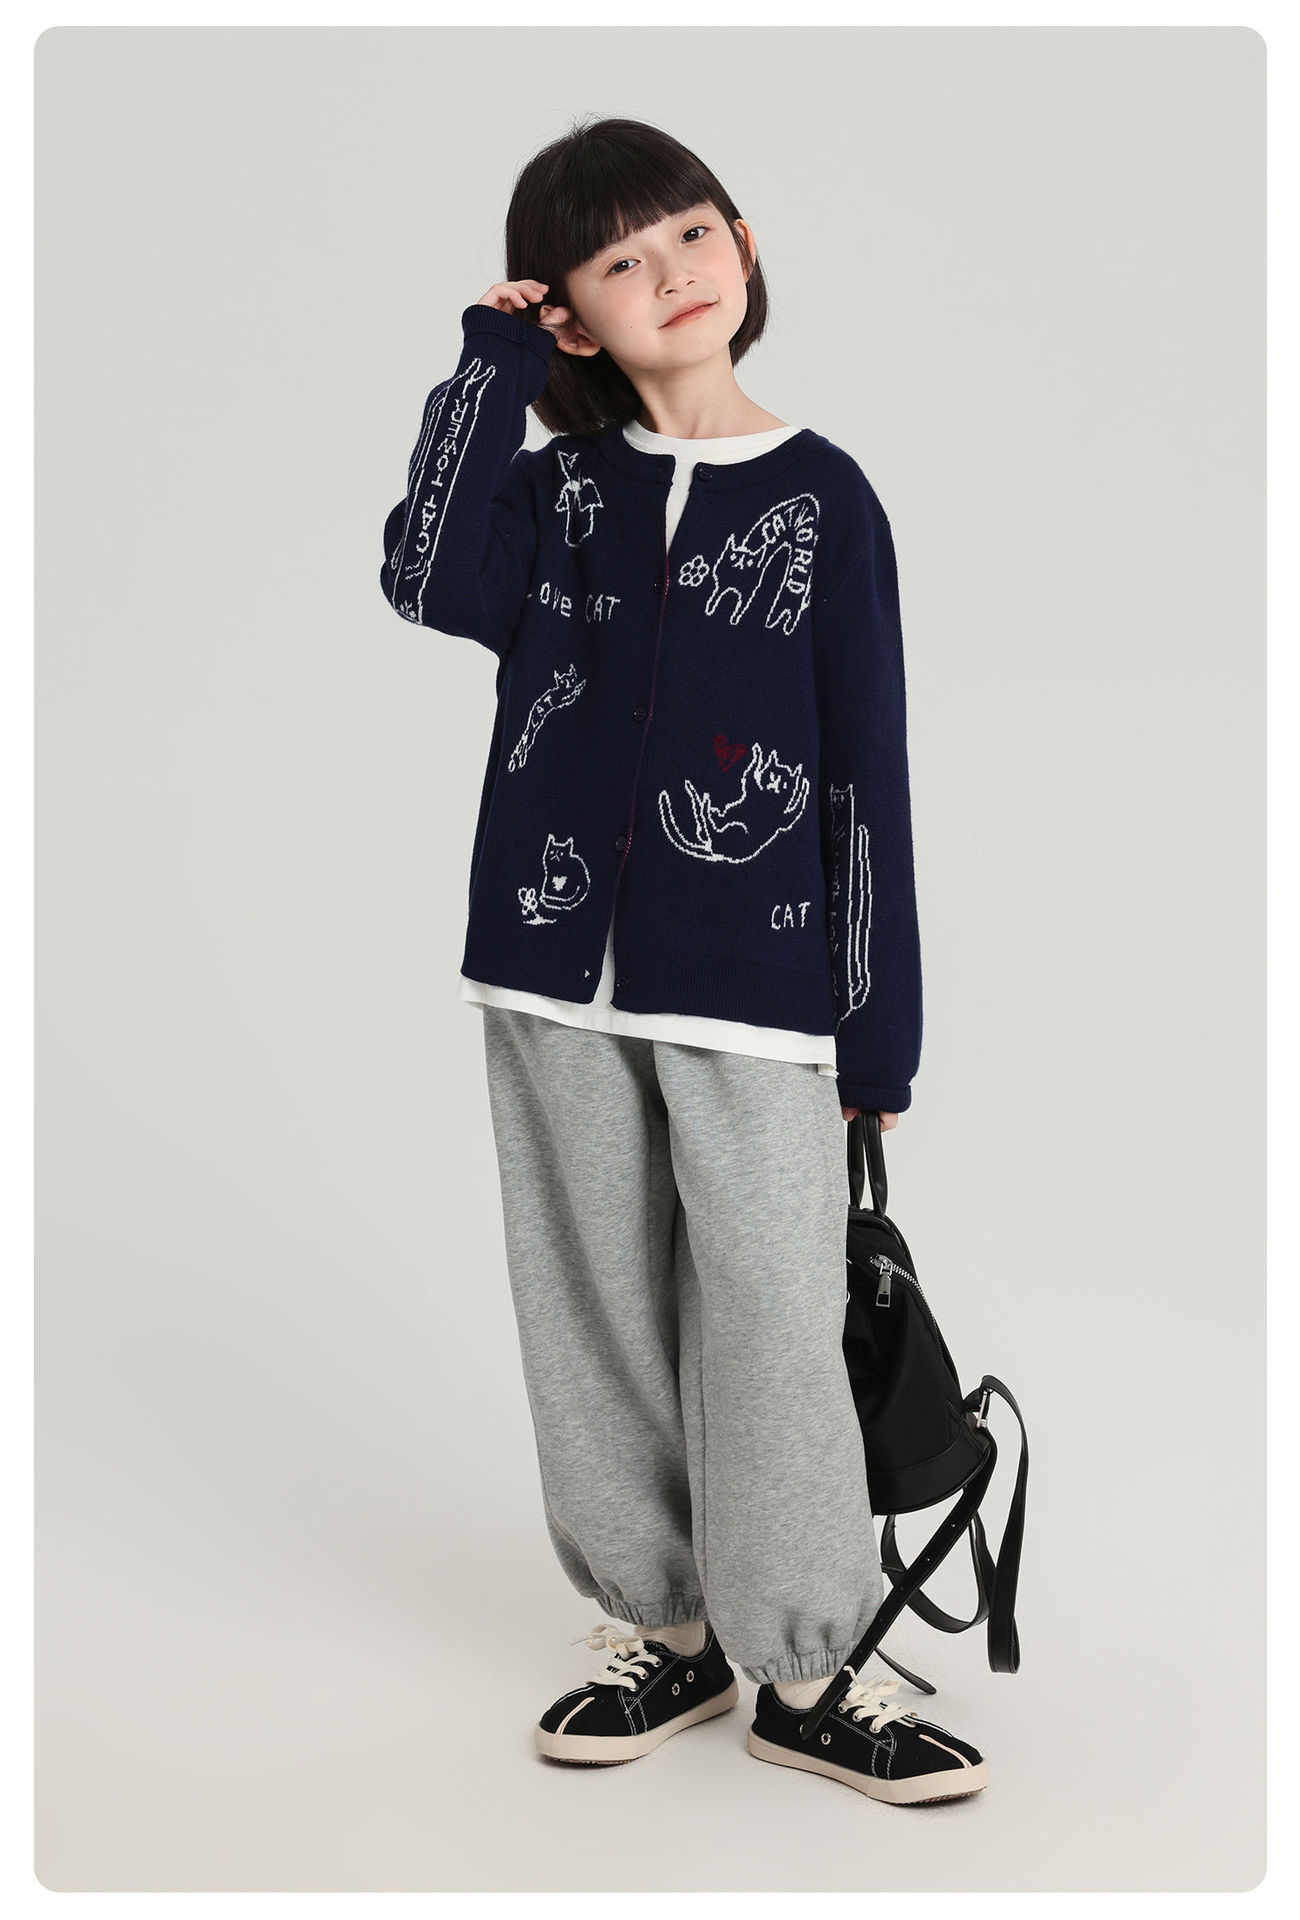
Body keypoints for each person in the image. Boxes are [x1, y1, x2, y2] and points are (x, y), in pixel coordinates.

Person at [379, 115, 987, 1806]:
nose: (673, 274)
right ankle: (663, 1630)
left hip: (759, 988)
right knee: (588, 1301)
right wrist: (490, 364)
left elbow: (865, 774)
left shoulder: (825, 498)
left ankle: (807, 1663)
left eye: (694, 234)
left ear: (746, 244)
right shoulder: (552, 492)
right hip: (546, 969)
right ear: (571, 314)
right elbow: (423, 577)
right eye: (619, 261)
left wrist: (878, 1033)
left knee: (775, 1322)